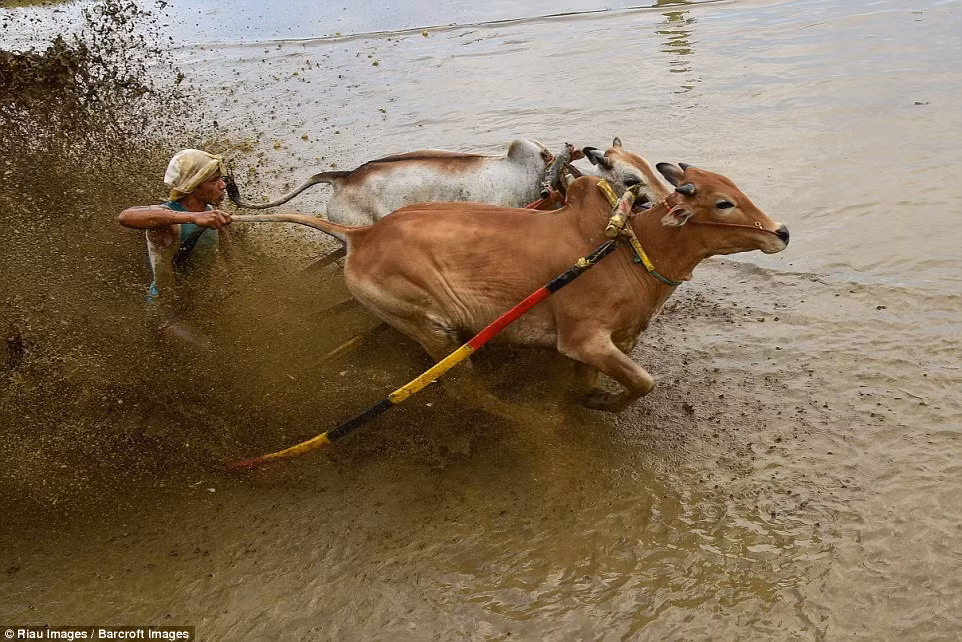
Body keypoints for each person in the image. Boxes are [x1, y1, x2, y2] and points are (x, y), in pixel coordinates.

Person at [118, 149, 233, 347]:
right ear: (194, 187)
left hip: (200, 307)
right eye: (214, 181)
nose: (223, 185)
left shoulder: (211, 215)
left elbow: (235, 264)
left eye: (221, 178)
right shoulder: (168, 218)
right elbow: (126, 217)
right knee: (211, 350)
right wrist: (194, 217)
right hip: (165, 315)